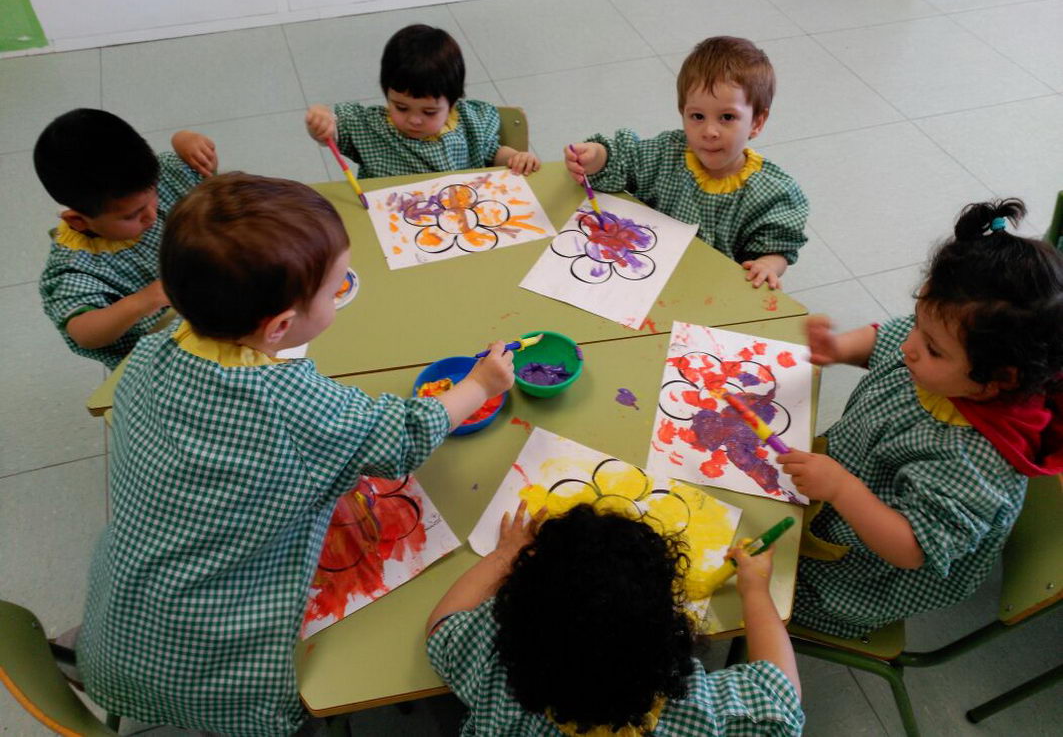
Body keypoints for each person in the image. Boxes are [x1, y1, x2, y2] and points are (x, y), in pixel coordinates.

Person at [76, 172, 514, 735]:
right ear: (282, 325)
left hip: (116, 624)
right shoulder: (287, 400)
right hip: (219, 677)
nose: (342, 292)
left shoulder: (150, 352)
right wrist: (480, 385)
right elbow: (402, 437)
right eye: (337, 288)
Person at [779, 199, 1063, 638]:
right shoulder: (947, 346)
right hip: (835, 485)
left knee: (752, 587)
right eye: (918, 321)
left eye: (932, 348)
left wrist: (840, 487)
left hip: (857, 569)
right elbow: (884, 339)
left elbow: (911, 549)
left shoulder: (971, 460)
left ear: (996, 382)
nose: (911, 346)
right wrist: (838, 349)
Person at [427, 502, 804, 735]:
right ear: (672, 637)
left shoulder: (494, 675)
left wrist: (504, 555)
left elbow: (441, 626)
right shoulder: (707, 716)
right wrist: (754, 589)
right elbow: (782, 694)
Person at [565, 36, 807, 289]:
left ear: (756, 122)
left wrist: (768, 265)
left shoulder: (775, 194)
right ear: (683, 113)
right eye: (697, 116)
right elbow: (624, 159)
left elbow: (779, 248)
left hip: (712, 292)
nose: (709, 131)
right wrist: (595, 157)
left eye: (727, 117)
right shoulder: (666, 153)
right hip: (641, 277)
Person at [35, 108, 215, 368]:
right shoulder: (73, 267)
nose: (151, 215)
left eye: (152, 196)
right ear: (78, 220)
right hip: (169, 355)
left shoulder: (153, 177)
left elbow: (208, 179)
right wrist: (145, 300)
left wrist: (185, 139)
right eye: (133, 215)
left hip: (221, 302)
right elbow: (84, 333)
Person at [305, 24, 539, 177]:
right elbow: (333, 132)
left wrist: (516, 158)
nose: (414, 120)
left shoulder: (470, 124)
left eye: (429, 112)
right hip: (391, 223)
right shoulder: (370, 128)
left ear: (453, 103)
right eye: (401, 107)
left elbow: (493, 153)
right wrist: (321, 120)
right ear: (387, 95)